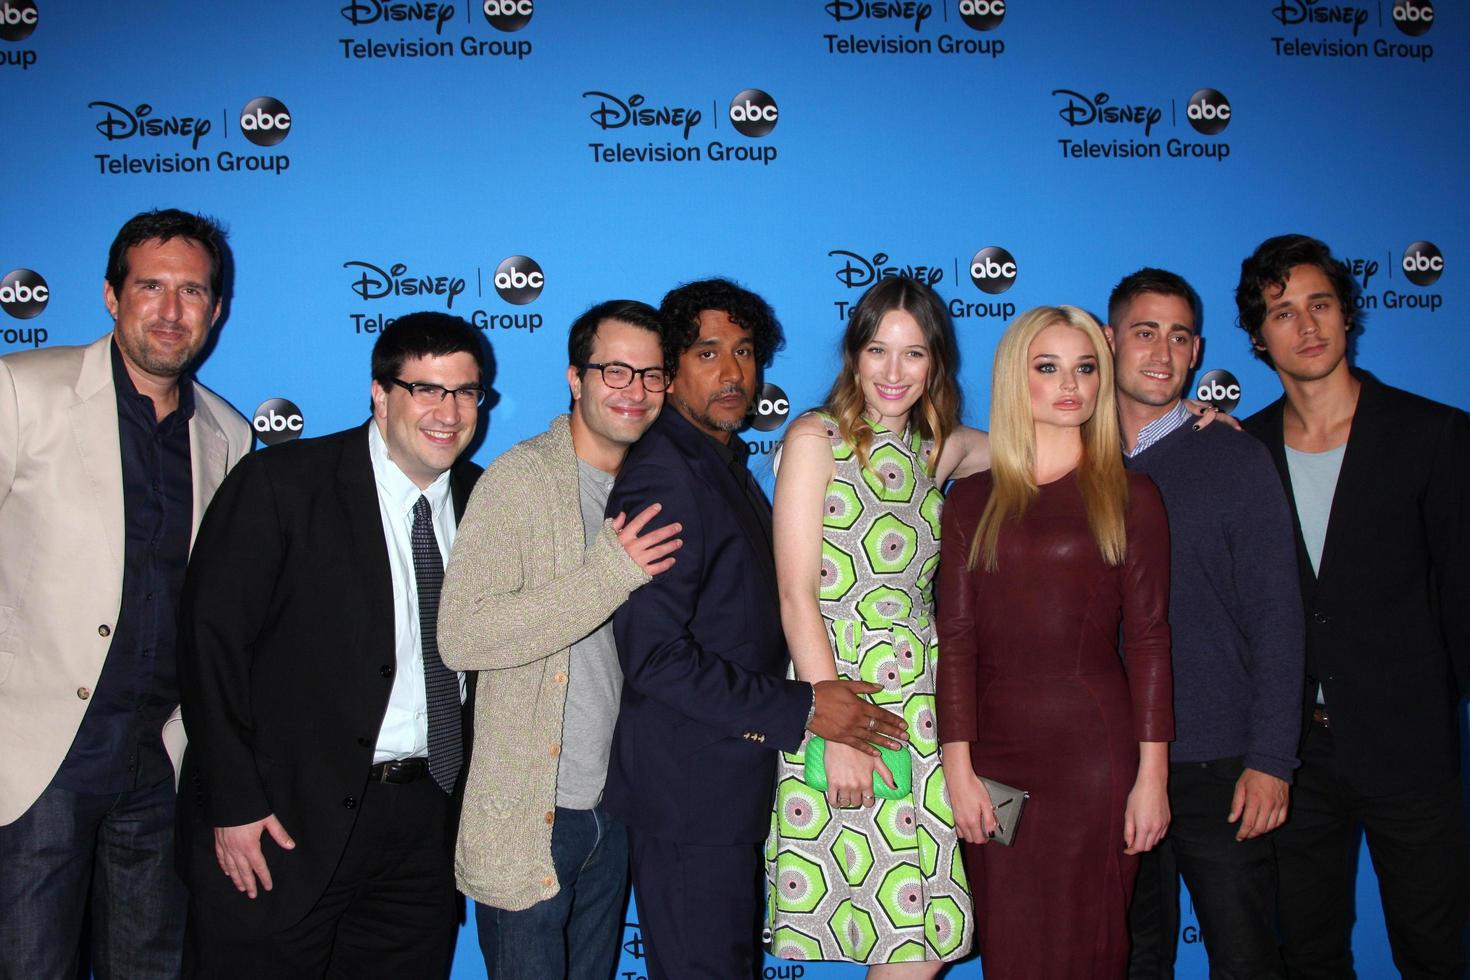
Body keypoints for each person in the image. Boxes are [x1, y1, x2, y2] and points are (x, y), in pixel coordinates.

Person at [604, 277, 909, 979]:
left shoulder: (719, 463)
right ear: (671, 367)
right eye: (708, 352)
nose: (733, 371)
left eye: (744, 352)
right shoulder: (666, 472)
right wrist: (805, 705)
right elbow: (653, 658)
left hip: (721, 789)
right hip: (689, 796)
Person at [175, 312, 487, 978]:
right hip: (281, 821)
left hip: (424, 823)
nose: (449, 411)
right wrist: (233, 804)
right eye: (426, 389)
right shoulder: (283, 484)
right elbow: (209, 646)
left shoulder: (485, 498)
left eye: (465, 392)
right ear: (380, 393)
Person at [0, 208, 252, 979]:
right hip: (37, 756)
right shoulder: (22, 392)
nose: (172, 311)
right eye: (152, 288)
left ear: (215, 309)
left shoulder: (230, 436)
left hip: (162, 760)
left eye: (193, 292)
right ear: (112, 296)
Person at [1236, 234, 1469, 980]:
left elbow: (1463, 596)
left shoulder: (1432, 435)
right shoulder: (1247, 450)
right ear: (1258, 338)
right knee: (1309, 952)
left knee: (1432, 949)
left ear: (1346, 315)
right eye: (1283, 312)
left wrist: (1430, 706)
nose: (1306, 326)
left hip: (1410, 747)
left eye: (1321, 305)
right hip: (1295, 755)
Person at [437, 300, 681, 979]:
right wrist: (607, 576)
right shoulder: (523, 479)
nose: (634, 390)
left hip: (618, 807)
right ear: (576, 378)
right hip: (533, 814)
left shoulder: (653, 486)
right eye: (615, 370)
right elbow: (463, 634)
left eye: (652, 375)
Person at [937, 305, 1173, 979]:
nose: (1070, 384)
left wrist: (1150, 778)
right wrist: (958, 767)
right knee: (1010, 954)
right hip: (993, 761)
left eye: (1085, 367)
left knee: (1089, 949)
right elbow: (955, 641)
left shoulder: (1132, 494)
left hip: (1094, 759)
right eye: (1048, 367)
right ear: (1018, 378)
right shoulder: (970, 499)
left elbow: (1151, 641)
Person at [766, 276, 988, 973]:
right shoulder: (815, 438)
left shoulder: (938, 447)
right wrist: (839, 726)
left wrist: (1163, 417)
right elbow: (796, 595)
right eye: (877, 351)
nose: (894, 373)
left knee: (917, 944)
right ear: (853, 356)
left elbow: (1042, 441)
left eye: (914, 354)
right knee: (904, 943)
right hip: (848, 696)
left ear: (936, 364)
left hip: (925, 709)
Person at [1103, 269, 1303, 980]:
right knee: (1132, 962)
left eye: (1179, 336)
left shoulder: (1234, 457)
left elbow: (1280, 616)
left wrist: (1272, 760)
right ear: (1109, 341)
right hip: (1110, 766)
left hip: (1222, 767)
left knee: (1247, 961)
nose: (1162, 351)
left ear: (1197, 353)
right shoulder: (1072, 462)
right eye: (1145, 332)